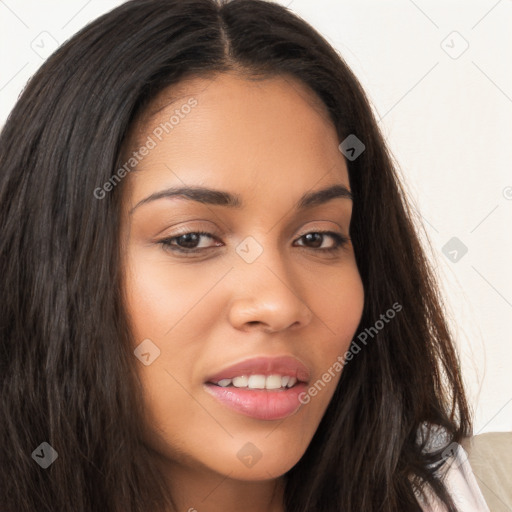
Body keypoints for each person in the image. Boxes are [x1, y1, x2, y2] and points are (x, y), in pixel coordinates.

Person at [0, 1, 490, 511]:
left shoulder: (435, 490)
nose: (278, 303)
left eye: (318, 238)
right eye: (190, 239)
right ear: (49, 264)